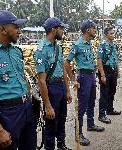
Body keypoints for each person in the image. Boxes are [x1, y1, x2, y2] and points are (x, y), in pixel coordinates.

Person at [0, 10, 37, 149]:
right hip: (7, 113)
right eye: (16, 27)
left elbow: (22, 77)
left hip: (26, 108)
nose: (20, 31)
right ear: (3, 29)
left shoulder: (16, 51)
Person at [33, 17, 72, 150]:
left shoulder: (58, 47)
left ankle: (61, 144)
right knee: (51, 122)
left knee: (62, 118)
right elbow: (42, 81)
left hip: (60, 86)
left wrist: (67, 90)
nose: (63, 31)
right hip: (50, 88)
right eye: (61, 29)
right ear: (54, 29)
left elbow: (62, 71)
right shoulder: (41, 50)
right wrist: (48, 106)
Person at [64, 20, 105, 147]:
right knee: (81, 107)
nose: (95, 30)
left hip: (91, 75)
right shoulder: (78, 45)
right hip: (83, 76)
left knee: (91, 101)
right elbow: (66, 63)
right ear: (87, 30)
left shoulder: (89, 43)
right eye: (94, 28)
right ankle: (78, 134)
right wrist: (73, 80)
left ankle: (91, 124)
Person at [97, 27, 121, 124]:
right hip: (105, 71)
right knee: (104, 93)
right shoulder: (102, 45)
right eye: (111, 33)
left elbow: (116, 58)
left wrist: (118, 70)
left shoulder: (114, 45)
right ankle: (101, 115)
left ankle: (110, 109)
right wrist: (102, 75)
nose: (113, 35)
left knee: (112, 91)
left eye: (113, 33)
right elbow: (99, 60)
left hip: (113, 70)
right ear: (106, 35)